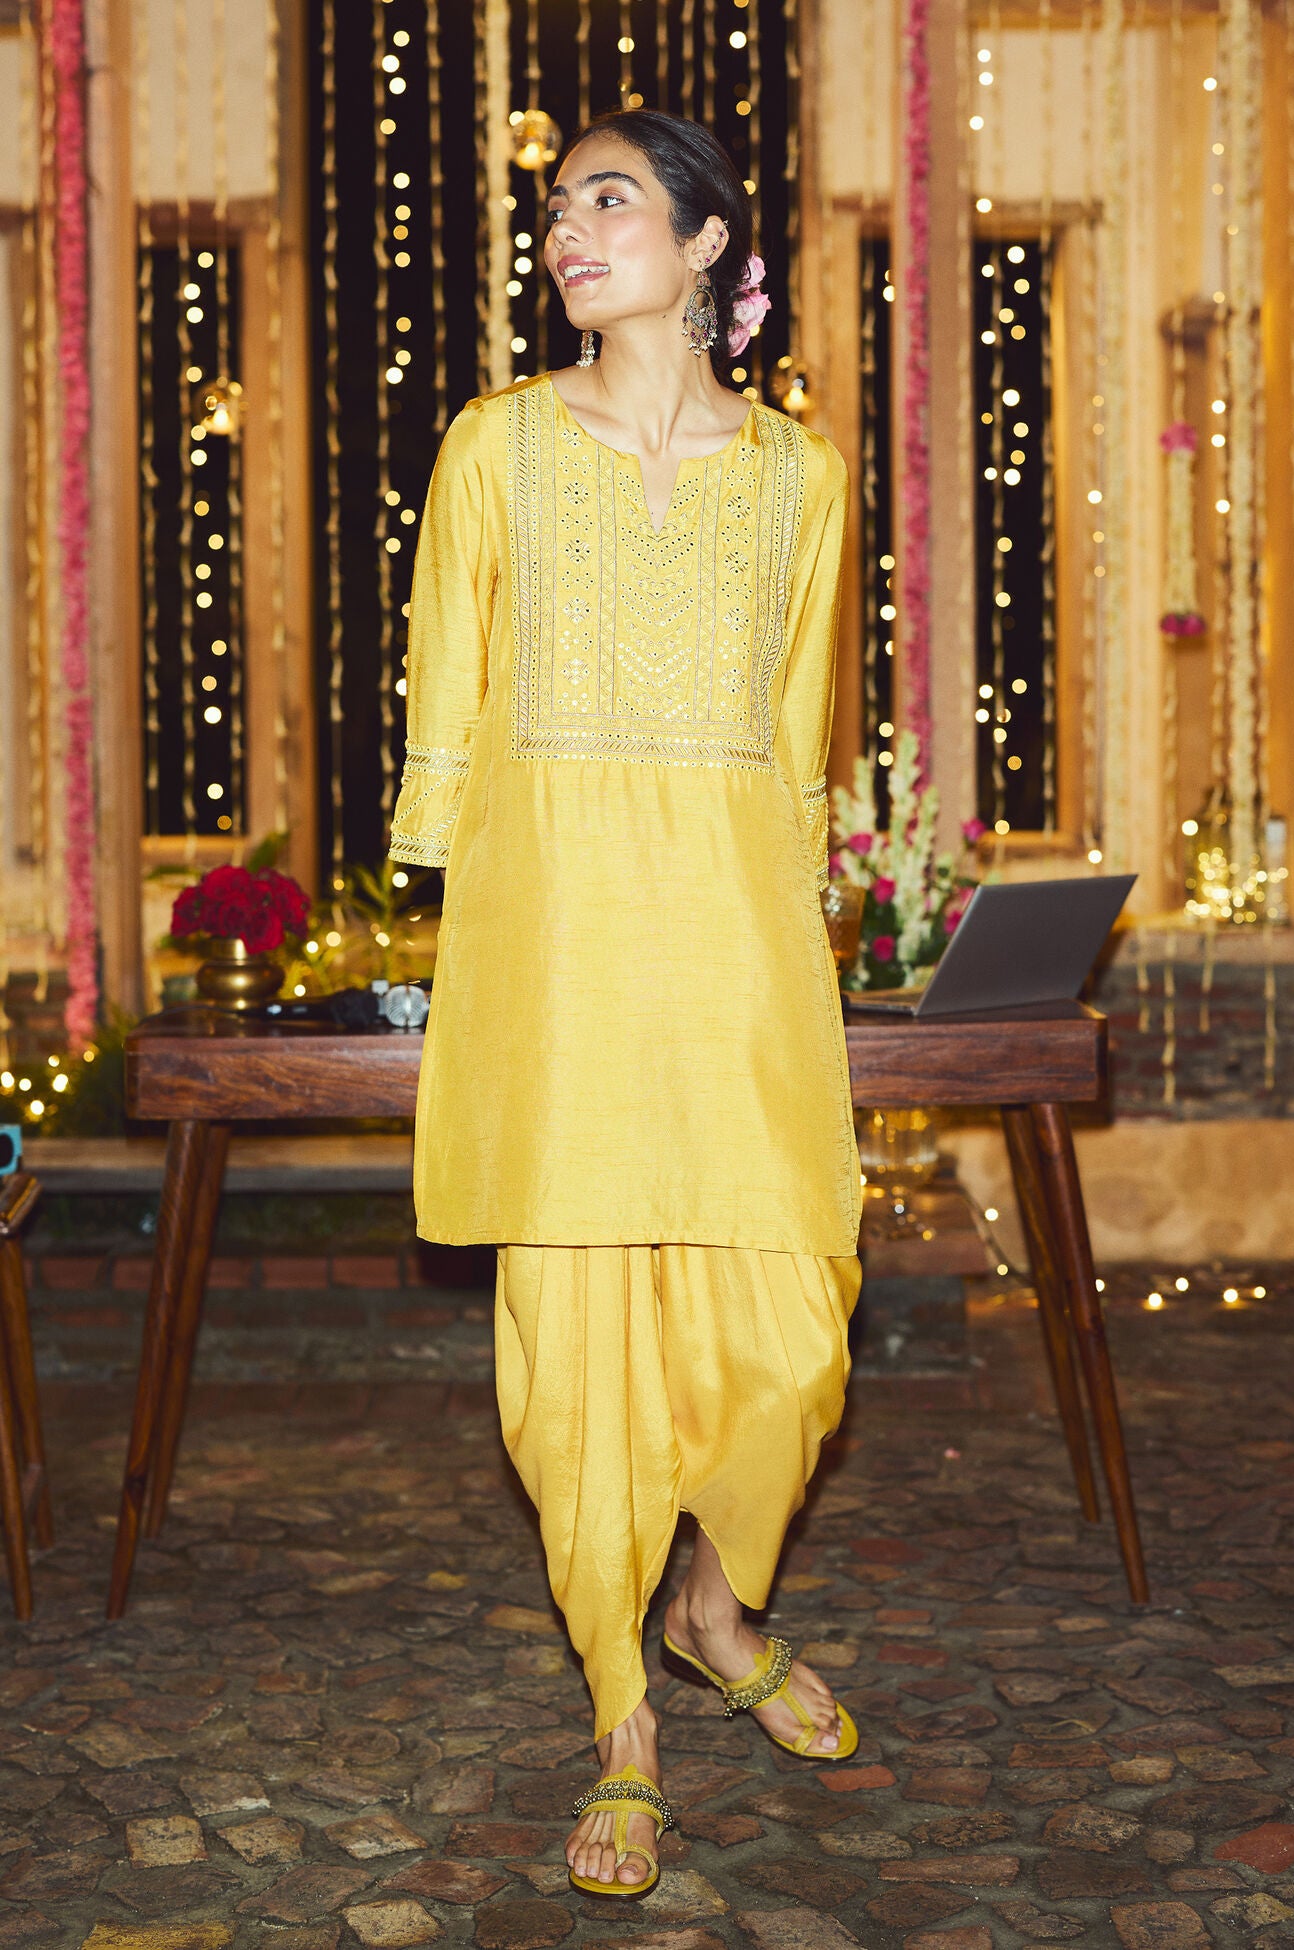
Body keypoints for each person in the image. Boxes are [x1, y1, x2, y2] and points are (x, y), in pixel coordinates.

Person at [389, 107, 863, 1900]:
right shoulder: (499, 448)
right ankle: (627, 1716)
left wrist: (800, 911)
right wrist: (449, 879)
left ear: (709, 243)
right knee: (577, 1362)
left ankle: (713, 1605)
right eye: (557, 210)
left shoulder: (800, 477)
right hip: (563, 945)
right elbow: (449, 676)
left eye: (608, 200)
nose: (568, 231)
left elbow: (801, 729)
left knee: (795, 1322)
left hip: (734, 938)